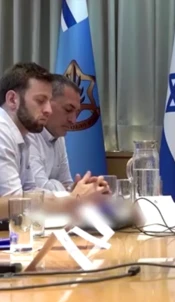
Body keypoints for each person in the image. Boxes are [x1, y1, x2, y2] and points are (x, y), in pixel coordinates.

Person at [0, 62, 107, 212]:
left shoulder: (21, 135)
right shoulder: (2, 132)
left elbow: (31, 192)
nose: (48, 110)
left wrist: (76, 193)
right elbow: (14, 205)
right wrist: (75, 199)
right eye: (40, 101)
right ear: (12, 100)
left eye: (49, 102)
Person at [26, 74, 78, 191]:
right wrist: (59, 186)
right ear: (47, 103)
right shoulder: (28, 132)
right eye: (68, 110)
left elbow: (68, 185)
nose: (73, 120)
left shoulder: (59, 136)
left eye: (76, 113)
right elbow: (38, 190)